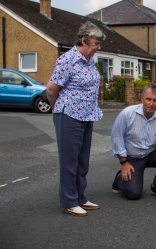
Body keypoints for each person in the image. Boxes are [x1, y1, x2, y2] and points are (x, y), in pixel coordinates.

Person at [46, 21, 106, 217]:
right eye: (96, 43)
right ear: (84, 40)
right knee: (69, 160)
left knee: (82, 160)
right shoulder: (67, 60)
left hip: (87, 114)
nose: (99, 47)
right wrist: (58, 108)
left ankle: (79, 196)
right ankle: (69, 201)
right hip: (69, 115)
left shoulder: (89, 61)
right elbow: (51, 89)